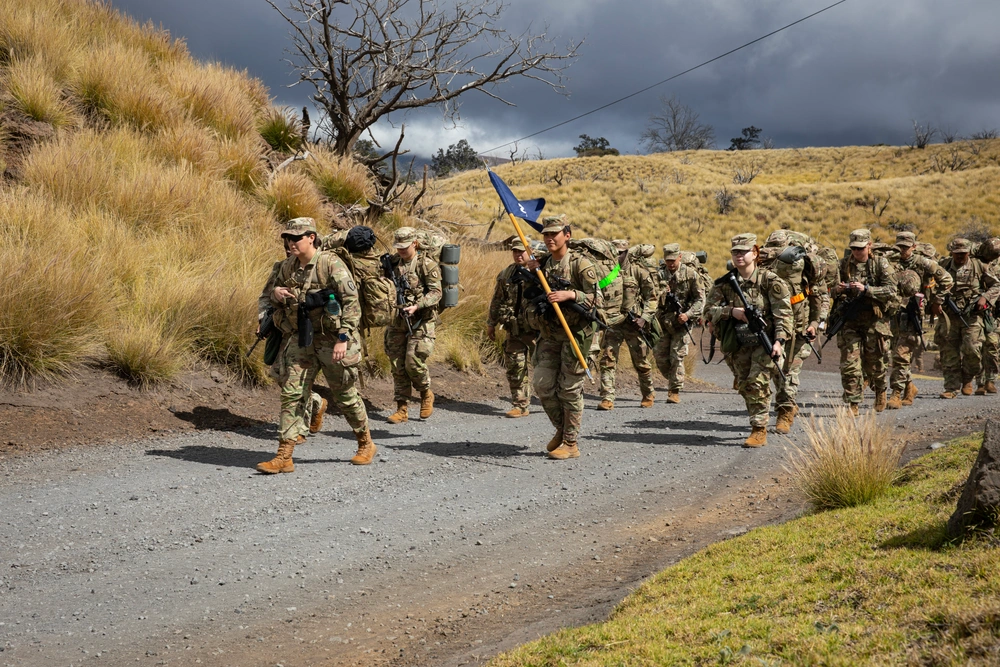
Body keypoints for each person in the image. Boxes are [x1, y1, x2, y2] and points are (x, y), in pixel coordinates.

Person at [257, 217, 376, 473]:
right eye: (287, 239)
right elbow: (266, 297)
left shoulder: (330, 264)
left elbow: (352, 303)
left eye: (296, 238)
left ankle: (365, 443)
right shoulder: (286, 267)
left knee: (345, 395)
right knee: (291, 393)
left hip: (332, 339)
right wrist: (276, 294)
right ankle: (284, 456)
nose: (291, 243)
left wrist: (343, 338)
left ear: (311, 237)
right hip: (301, 339)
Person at [524, 216, 602, 460]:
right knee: (542, 384)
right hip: (550, 334)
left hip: (576, 335)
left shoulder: (581, 264)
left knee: (569, 389)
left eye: (554, 234)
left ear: (567, 235)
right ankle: (562, 428)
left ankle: (571, 442)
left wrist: (571, 294)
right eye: (546, 235)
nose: (549, 239)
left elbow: (598, 299)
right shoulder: (542, 264)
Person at [705, 234, 792, 447]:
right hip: (738, 343)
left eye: (743, 251)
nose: (739, 256)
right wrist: (732, 312)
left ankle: (759, 429)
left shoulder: (770, 281)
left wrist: (779, 341)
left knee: (756, 382)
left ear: (755, 253)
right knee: (744, 384)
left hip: (765, 342)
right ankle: (764, 417)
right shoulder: (724, 284)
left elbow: (784, 313)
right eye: (735, 252)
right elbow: (708, 311)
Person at [759, 231, 829, 433]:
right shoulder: (764, 266)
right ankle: (787, 405)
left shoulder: (805, 268)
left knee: (788, 372)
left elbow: (820, 297)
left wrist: (815, 323)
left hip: (800, 327)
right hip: (774, 326)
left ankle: (784, 413)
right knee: (775, 370)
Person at [831, 229, 897, 414]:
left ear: (869, 246)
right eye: (853, 248)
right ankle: (853, 403)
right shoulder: (844, 264)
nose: (857, 252)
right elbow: (829, 289)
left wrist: (867, 289)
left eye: (860, 248)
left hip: (874, 321)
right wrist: (840, 289)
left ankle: (880, 391)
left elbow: (892, 290)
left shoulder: (880, 264)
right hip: (850, 320)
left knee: (875, 362)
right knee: (849, 364)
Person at [885, 231, 953, 408]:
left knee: (901, 353)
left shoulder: (923, 263)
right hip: (891, 312)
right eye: (899, 246)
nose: (902, 250)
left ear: (914, 247)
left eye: (906, 247)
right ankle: (910, 387)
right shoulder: (890, 261)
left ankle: (896, 394)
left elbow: (947, 279)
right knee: (896, 353)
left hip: (912, 313)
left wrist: (937, 301)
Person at [384, 226, 443, 423]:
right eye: (398, 246)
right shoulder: (391, 263)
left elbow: (436, 293)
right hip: (397, 320)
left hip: (421, 320)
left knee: (413, 361)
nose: (401, 250)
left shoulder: (427, 265)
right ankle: (402, 408)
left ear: (415, 244)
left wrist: (417, 306)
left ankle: (426, 393)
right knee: (397, 365)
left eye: (405, 246)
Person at [598, 239, 659, 409]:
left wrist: (644, 318)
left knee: (641, 362)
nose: (617, 256)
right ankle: (607, 397)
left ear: (626, 253)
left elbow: (652, 299)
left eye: (620, 253)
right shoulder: (608, 273)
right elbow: (598, 293)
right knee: (608, 360)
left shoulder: (638, 271)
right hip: (613, 323)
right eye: (614, 252)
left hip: (634, 325)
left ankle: (648, 393)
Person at [936, 238, 1000, 398]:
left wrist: (985, 297)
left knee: (973, 350)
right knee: (948, 352)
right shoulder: (943, 266)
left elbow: (996, 285)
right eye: (956, 254)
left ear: (969, 253)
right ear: (952, 252)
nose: (959, 257)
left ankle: (968, 378)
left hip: (972, 316)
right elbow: (931, 284)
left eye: (963, 254)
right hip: (949, 316)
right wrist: (936, 301)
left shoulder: (978, 266)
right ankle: (951, 388)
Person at [486, 237, 539, 418]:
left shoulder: (541, 270)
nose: (518, 255)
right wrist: (491, 324)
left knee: (544, 368)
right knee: (515, 367)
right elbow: (497, 300)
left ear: (530, 250)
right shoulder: (507, 274)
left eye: (521, 251)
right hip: (514, 328)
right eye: (515, 251)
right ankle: (520, 404)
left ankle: (554, 401)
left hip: (538, 330)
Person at [653, 243, 705, 404]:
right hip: (663, 322)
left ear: (680, 257)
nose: (670, 263)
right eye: (667, 260)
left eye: (673, 260)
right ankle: (674, 379)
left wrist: (688, 315)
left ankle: (674, 390)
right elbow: (650, 297)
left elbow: (700, 299)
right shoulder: (659, 275)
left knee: (677, 356)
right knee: (660, 358)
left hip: (681, 323)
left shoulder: (691, 275)